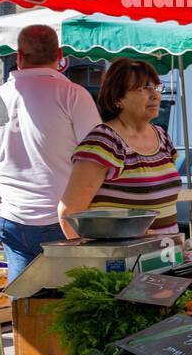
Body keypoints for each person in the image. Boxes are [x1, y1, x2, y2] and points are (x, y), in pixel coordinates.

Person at [0, 25, 101, 279]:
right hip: (65, 221)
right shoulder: (74, 95)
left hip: (12, 218)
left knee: (25, 307)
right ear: (61, 55)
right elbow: (97, 158)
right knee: (71, 305)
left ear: (19, 56)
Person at [60, 59, 181, 238]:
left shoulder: (162, 136)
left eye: (156, 87)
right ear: (118, 99)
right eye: (143, 89)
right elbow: (69, 214)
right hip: (123, 262)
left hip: (166, 255)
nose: (155, 95)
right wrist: (95, 259)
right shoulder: (103, 141)